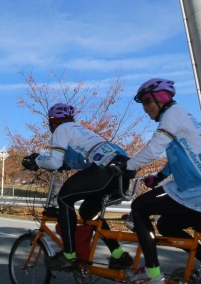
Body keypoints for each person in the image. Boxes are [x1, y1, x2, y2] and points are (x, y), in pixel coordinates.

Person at [120, 78, 201, 284]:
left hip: (199, 190)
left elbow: (155, 148)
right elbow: (182, 154)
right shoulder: (184, 117)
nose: (146, 108)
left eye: (147, 101)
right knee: (166, 226)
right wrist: (159, 176)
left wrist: (127, 166)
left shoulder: (172, 114)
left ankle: (153, 276)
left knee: (138, 208)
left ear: (161, 98)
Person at [22, 103, 134, 272]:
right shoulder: (82, 132)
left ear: (53, 121)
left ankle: (69, 255)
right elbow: (77, 158)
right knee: (88, 214)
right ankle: (119, 255)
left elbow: (54, 161)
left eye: (49, 122)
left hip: (104, 171)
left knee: (65, 198)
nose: (50, 126)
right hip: (121, 173)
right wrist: (64, 165)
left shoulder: (61, 129)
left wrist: (37, 160)